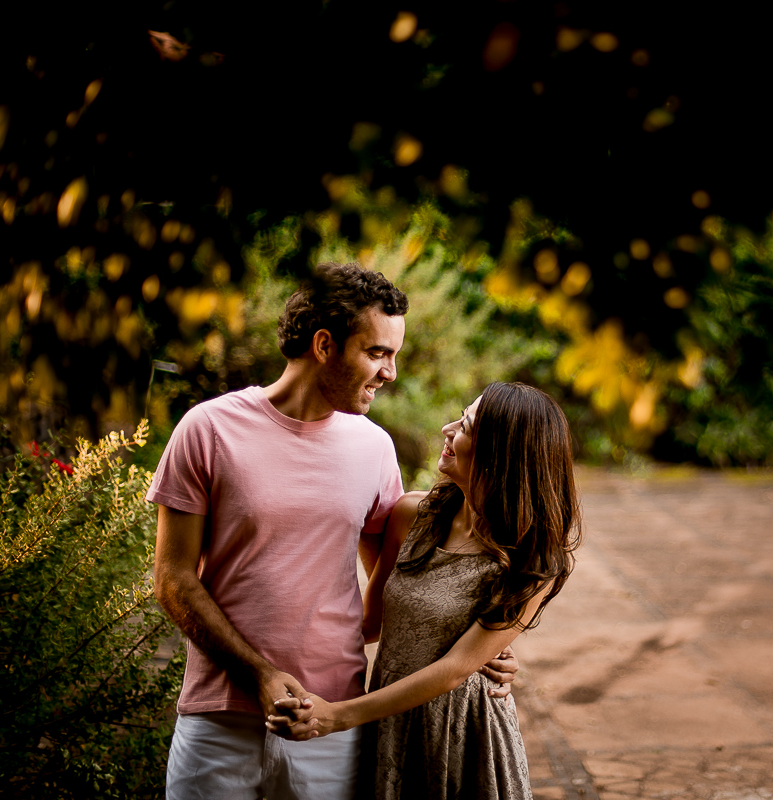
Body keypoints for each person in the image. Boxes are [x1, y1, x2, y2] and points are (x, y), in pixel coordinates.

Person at [148, 262, 517, 800]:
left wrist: (481, 646)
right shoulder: (208, 429)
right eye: (378, 353)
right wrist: (258, 673)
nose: (390, 373)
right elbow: (172, 579)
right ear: (324, 345)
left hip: (331, 718)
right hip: (218, 718)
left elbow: (396, 593)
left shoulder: (374, 448)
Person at [266, 382, 581, 800]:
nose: (447, 429)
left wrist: (336, 717)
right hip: (389, 717)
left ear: (501, 455)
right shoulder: (413, 515)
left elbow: (454, 670)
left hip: (463, 730)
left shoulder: (532, 561)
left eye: (465, 426)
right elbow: (371, 623)